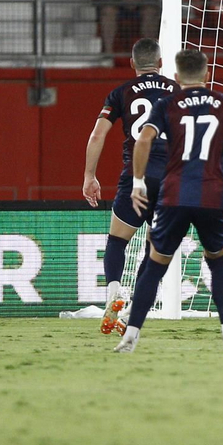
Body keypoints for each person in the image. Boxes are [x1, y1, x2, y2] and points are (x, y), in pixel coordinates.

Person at [115, 50, 223, 353]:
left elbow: (143, 140)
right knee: (218, 263)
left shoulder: (167, 104)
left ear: (177, 78)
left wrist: (138, 183)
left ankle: (130, 335)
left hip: (174, 194)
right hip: (211, 194)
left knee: (155, 265)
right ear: (207, 75)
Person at [63, 39, 176, 330]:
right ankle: (133, 308)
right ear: (161, 63)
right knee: (155, 250)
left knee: (117, 241)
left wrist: (90, 176)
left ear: (132, 64)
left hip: (136, 177)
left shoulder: (120, 93)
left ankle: (114, 289)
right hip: (170, 180)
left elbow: (97, 135)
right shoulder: (178, 91)